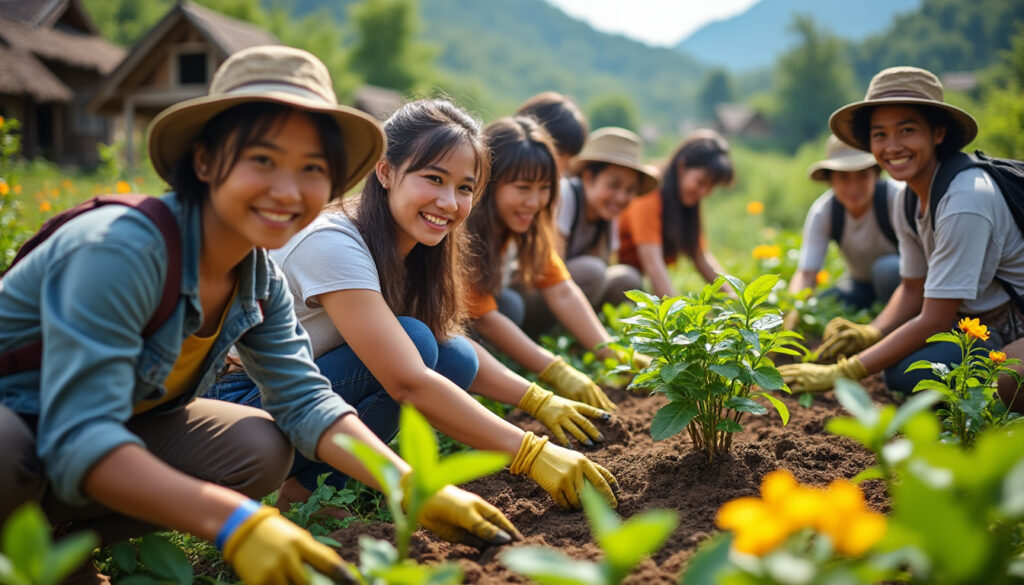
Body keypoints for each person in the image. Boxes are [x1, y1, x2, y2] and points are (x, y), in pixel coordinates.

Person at [0, 46, 521, 585]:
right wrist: (238, 524)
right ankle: (33, 558)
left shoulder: (256, 276)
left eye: (312, 168)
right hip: (34, 423)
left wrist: (410, 485)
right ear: (204, 160)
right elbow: (76, 431)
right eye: (263, 160)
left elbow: (304, 400)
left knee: (260, 448)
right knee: (6, 445)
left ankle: (65, 542)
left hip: (106, 431)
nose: (288, 190)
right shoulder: (121, 251)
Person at [209, 98, 619, 514]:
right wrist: (530, 452)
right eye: (433, 178)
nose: (448, 202)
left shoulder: (411, 243)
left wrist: (537, 398)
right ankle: (310, 496)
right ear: (385, 171)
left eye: (464, 188)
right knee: (417, 345)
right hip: (241, 404)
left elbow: (446, 342)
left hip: (295, 398)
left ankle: (313, 491)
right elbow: (407, 379)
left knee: (453, 355)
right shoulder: (332, 243)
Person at [779, 66, 1024, 409]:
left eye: (906, 130)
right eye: (879, 135)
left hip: (1010, 322)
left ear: (938, 133)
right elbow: (912, 288)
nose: (892, 147)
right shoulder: (909, 199)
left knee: (1006, 383)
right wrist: (872, 333)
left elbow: (935, 318)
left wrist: (843, 371)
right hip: (981, 324)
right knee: (901, 373)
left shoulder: (965, 200)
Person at [464, 116, 626, 413]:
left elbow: (562, 290)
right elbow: (484, 316)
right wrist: (556, 371)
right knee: (505, 309)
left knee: (508, 306)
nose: (535, 201)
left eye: (544, 188)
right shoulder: (466, 230)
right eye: (523, 187)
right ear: (489, 181)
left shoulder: (525, 226)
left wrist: (612, 353)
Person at [787, 134, 902, 313]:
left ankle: (896, 322)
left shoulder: (896, 199)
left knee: (886, 270)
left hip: (904, 286)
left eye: (862, 175)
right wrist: (795, 309)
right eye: (843, 177)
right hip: (859, 285)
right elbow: (807, 272)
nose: (853, 187)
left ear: (876, 174)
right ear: (830, 180)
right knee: (825, 302)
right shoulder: (824, 211)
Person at [617, 129, 735, 298]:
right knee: (629, 279)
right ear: (682, 167)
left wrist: (736, 300)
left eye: (710, 187)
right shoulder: (651, 190)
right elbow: (653, 263)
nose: (704, 192)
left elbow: (701, 257)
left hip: (640, 281)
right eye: (701, 183)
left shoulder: (687, 200)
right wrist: (678, 318)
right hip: (619, 277)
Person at [555, 127, 659, 309]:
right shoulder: (566, 196)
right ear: (588, 178)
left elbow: (607, 263)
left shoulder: (608, 213)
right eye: (614, 185)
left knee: (628, 278)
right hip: (544, 289)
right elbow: (552, 270)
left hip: (574, 290)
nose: (621, 198)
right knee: (593, 271)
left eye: (630, 190)